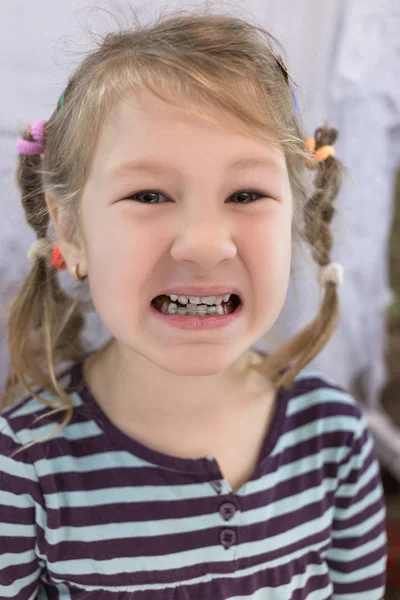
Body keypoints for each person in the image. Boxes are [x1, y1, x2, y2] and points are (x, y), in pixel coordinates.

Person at [0, 9, 387, 599]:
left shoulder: (333, 438)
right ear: (70, 233)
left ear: (296, 219)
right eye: (148, 194)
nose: (205, 245)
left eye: (247, 193)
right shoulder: (22, 467)